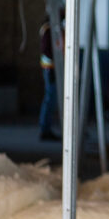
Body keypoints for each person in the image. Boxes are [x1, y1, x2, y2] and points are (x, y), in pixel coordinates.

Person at [38, 8, 64, 141]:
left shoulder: (55, 29)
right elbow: (47, 50)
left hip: (53, 68)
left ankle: (46, 127)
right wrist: (58, 59)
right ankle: (45, 129)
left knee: (52, 99)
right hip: (50, 69)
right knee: (50, 99)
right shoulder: (48, 29)